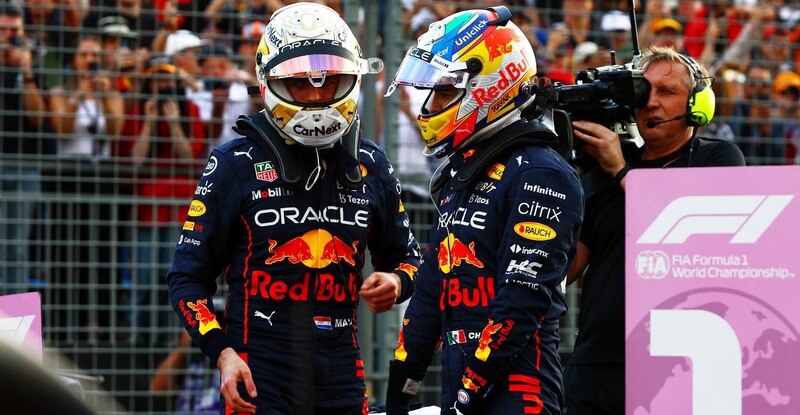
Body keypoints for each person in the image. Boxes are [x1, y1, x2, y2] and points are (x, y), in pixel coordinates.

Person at [166, 3, 420, 414]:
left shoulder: (371, 164)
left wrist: (396, 281)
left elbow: (410, 261)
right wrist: (222, 354)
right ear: (270, 83)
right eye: (301, 84)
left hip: (341, 371)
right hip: (259, 370)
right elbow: (186, 279)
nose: (317, 95)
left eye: (330, 80)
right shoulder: (233, 163)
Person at [383, 6, 584, 415]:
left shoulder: (542, 173)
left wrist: (467, 396)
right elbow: (428, 294)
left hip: (518, 390)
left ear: (490, 85)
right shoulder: (463, 170)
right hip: (463, 386)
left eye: (443, 90)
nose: (431, 104)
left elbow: (521, 301)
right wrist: (400, 393)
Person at [563, 46, 746, 415]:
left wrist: (620, 170)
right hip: (597, 363)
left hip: (678, 363)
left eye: (668, 92)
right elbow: (565, 271)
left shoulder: (718, 158)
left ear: (699, 105)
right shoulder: (602, 171)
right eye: (645, 92)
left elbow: (687, 239)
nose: (652, 103)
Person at [0, 2, 48, 294]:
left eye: (14, 30)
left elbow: (37, 116)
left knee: (17, 250)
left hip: (24, 166)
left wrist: (26, 72)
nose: (8, 36)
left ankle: (13, 334)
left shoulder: (33, 66)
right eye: (2, 30)